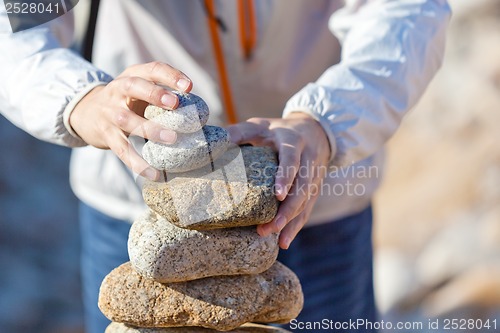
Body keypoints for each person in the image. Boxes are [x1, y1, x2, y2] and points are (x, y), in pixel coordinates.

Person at [0, 0, 451, 332]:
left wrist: (325, 121)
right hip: (133, 206)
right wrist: (79, 99)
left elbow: (407, 10)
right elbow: (17, 21)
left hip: (317, 199)